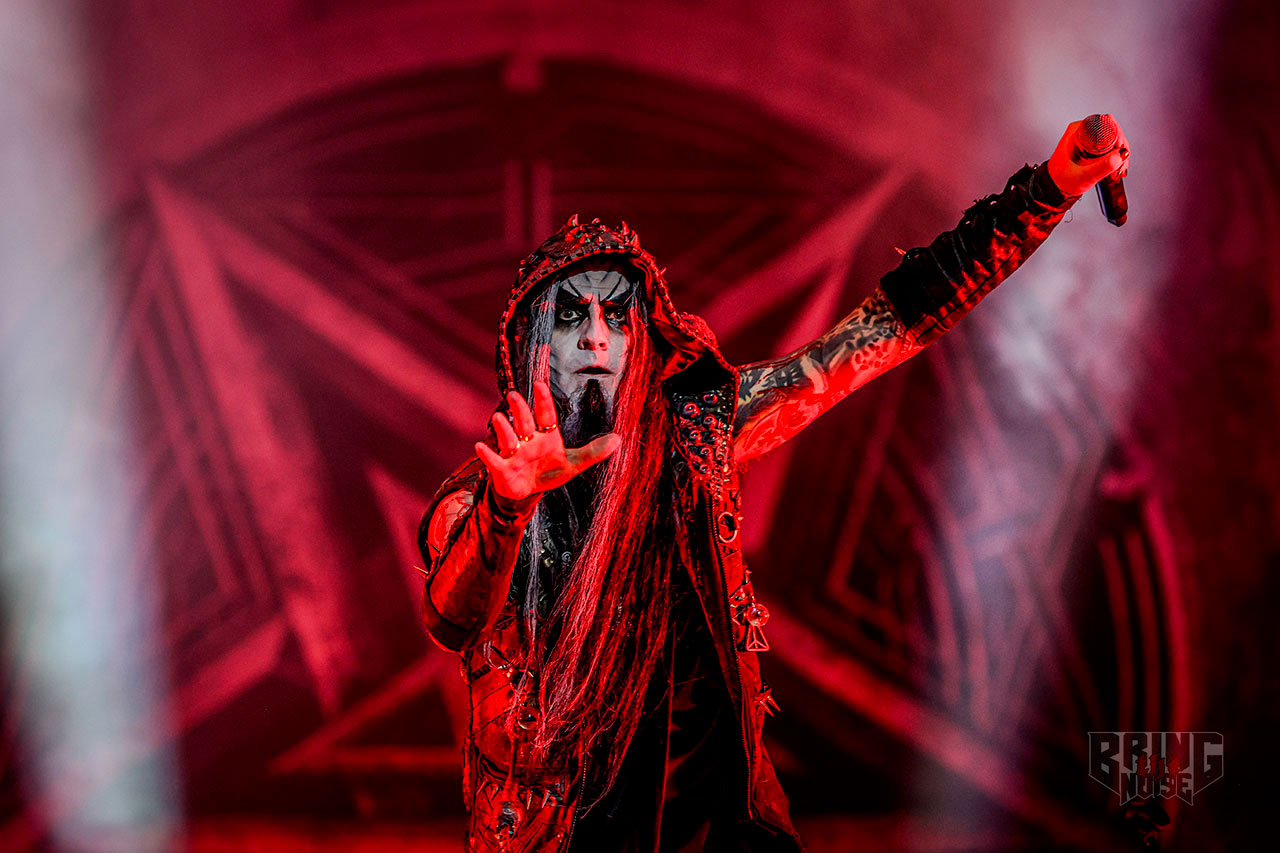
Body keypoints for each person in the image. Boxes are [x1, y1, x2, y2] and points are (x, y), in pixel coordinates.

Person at [417, 117, 1130, 852]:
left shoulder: (702, 430)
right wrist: (507, 508)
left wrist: (1047, 190)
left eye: (617, 315)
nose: (597, 335)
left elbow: (888, 325)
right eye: (571, 316)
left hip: (715, 827)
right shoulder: (480, 494)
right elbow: (452, 618)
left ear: (643, 335)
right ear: (533, 342)